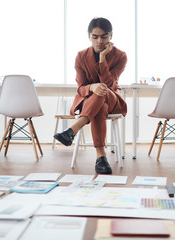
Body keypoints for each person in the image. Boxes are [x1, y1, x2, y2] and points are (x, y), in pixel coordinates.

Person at [54, 17, 127, 174]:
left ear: (111, 36)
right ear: (89, 37)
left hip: (112, 97)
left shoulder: (120, 56)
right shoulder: (81, 56)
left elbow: (110, 83)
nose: (99, 41)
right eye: (95, 37)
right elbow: (80, 88)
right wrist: (92, 87)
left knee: (103, 90)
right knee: (100, 103)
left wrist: (102, 59)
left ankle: (72, 130)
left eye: (104, 36)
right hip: (90, 102)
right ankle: (101, 157)